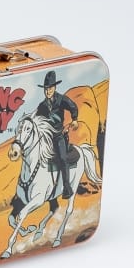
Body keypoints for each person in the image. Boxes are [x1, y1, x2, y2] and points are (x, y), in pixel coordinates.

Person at [35, 71, 80, 200]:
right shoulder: (42, 106)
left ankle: (67, 187)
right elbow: (37, 119)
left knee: (62, 158)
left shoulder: (61, 99)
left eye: (50, 88)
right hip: (46, 138)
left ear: (54, 87)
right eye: (45, 89)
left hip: (59, 136)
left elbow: (73, 106)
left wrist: (74, 119)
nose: (47, 91)